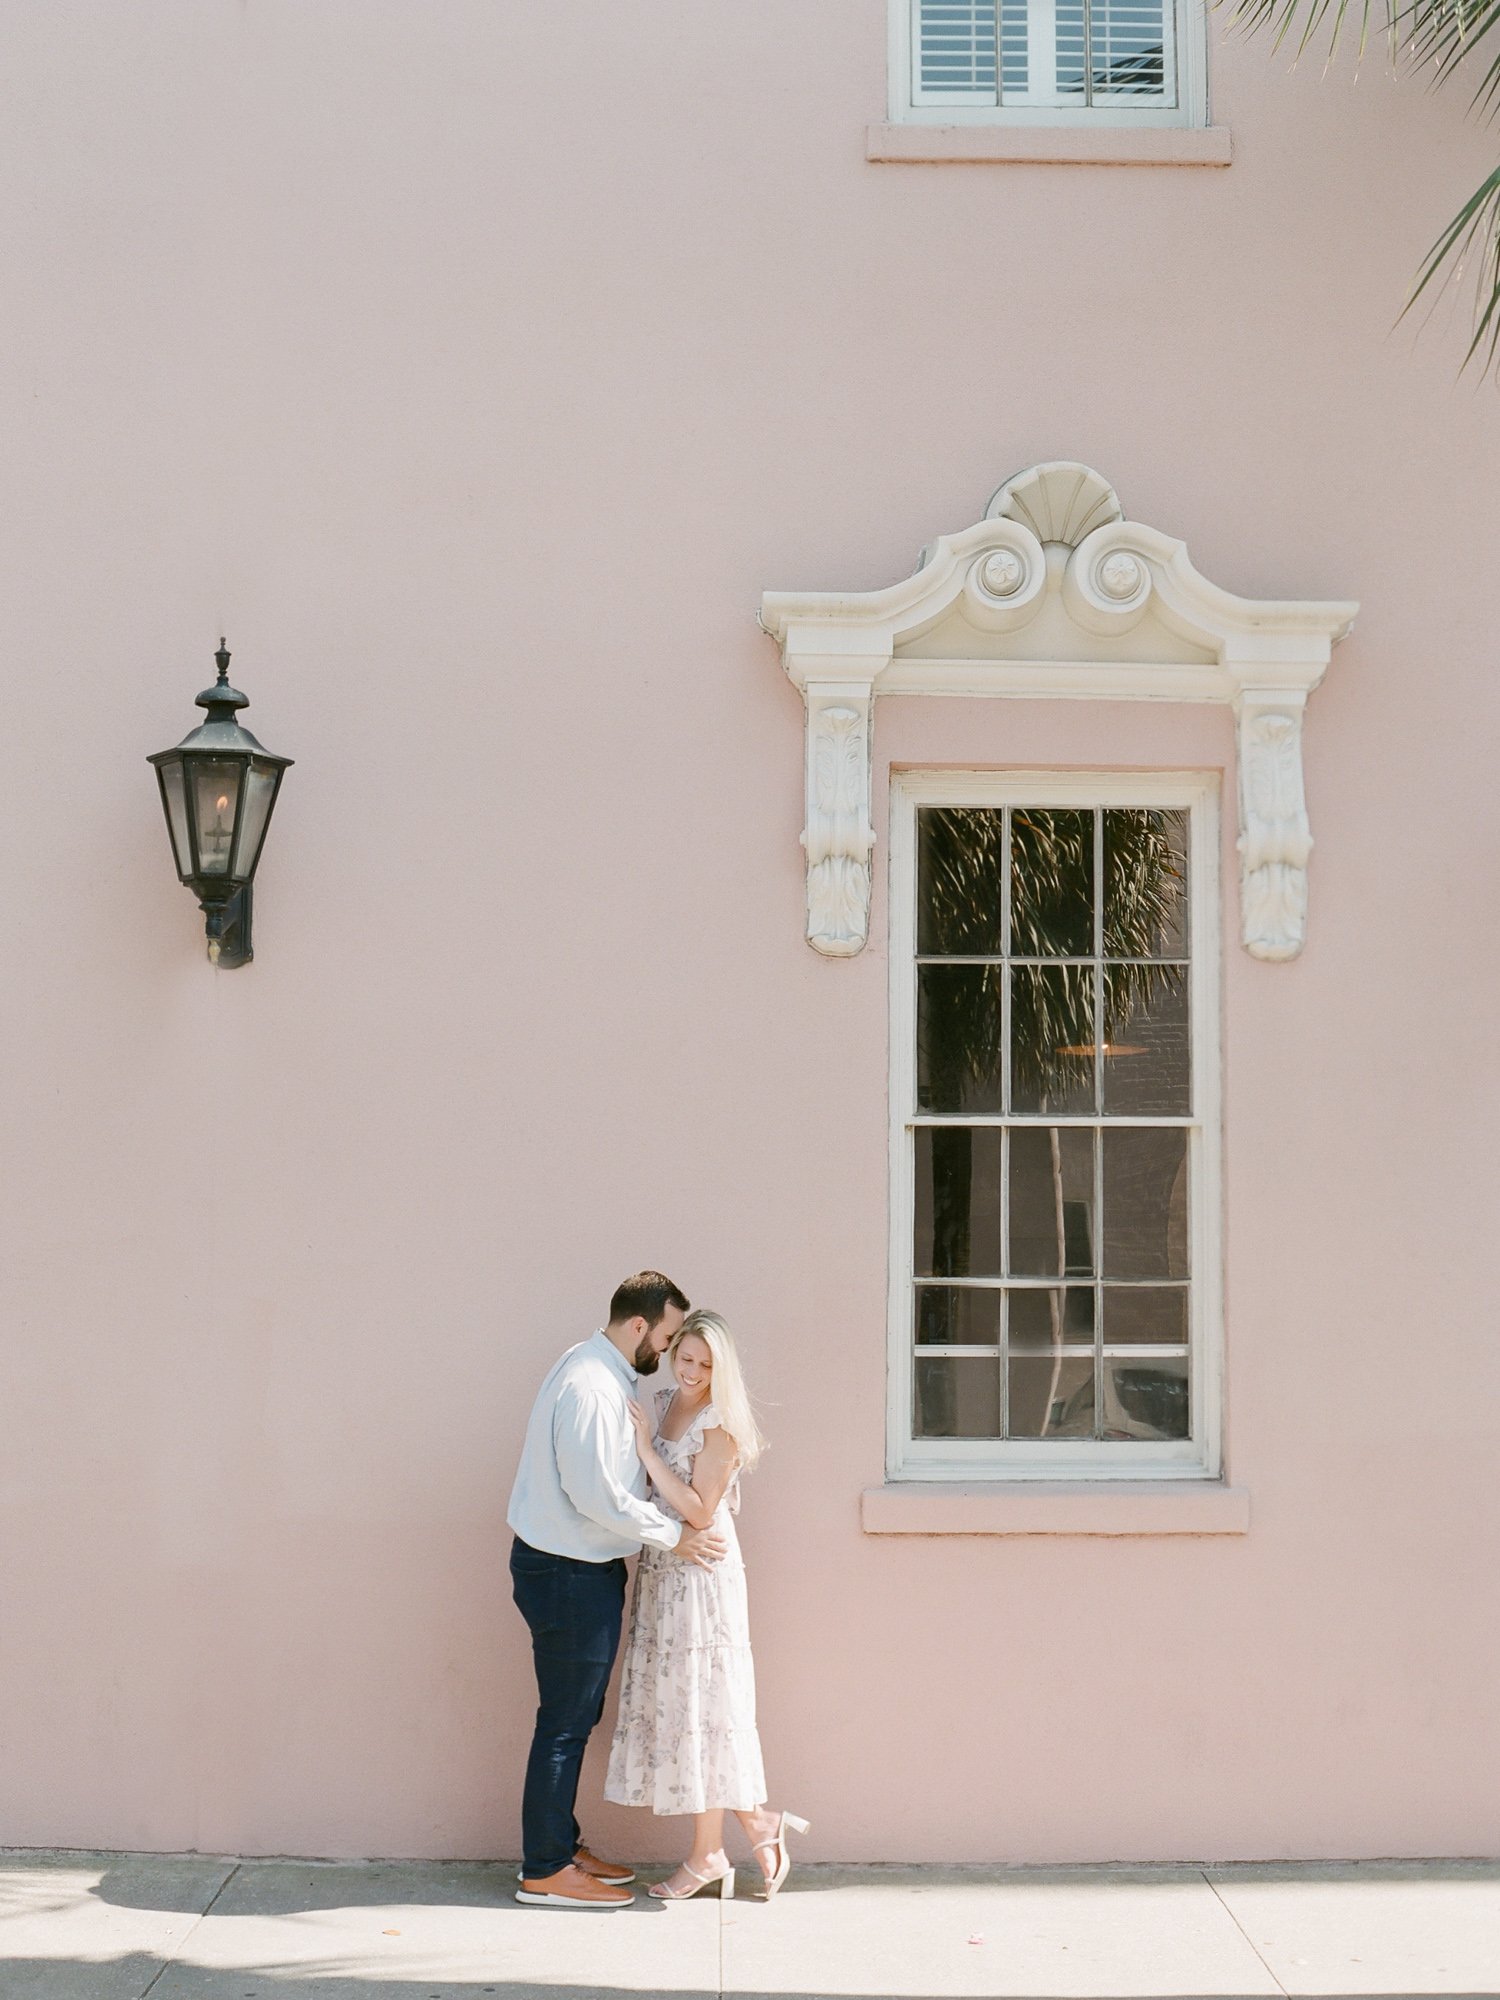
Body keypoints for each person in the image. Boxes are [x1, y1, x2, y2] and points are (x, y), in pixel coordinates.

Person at [507, 1271, 728, 1910]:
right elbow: (597, 1494)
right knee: (565, 1724)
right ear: (639, 1326)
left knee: (573, 1718)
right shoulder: (591, 1386)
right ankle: (544, 1869)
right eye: (663, 1339)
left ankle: (560, 1843)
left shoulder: (598, 1370)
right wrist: (673, 1536)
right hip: (567, 1573)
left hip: (574, 1570)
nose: (664, 1353)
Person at [604, 1309, 809, 1900]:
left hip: (701, 1575)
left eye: (705, 1364)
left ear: (722, 1369)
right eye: (685, 1357)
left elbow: (698, 1508)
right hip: (664, 1568)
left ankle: (708, 1853)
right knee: (687, 1708)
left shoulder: (720, 1424)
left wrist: (645, 1451)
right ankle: (748, 1827)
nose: (691, 1372)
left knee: (704, 1706)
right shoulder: (665, 1398)